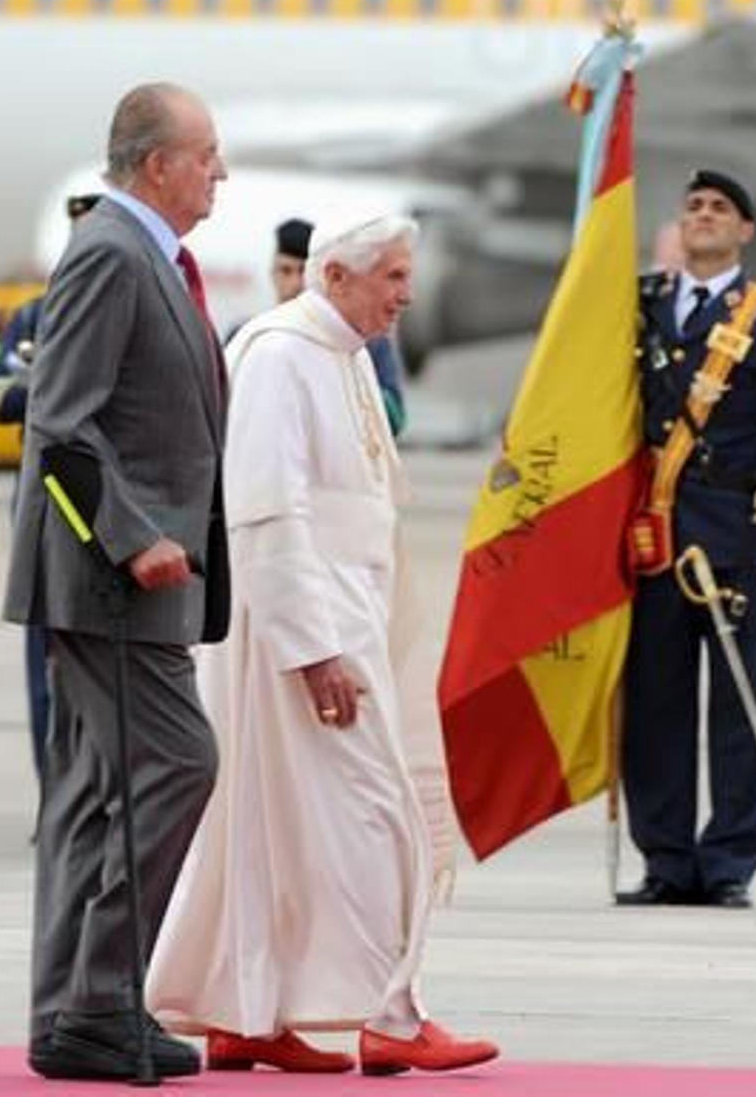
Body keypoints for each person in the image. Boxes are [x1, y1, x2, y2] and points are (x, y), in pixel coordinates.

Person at [146, 213, 498, 1077]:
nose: (406, 295)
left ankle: (245, 1013)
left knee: (270, 829)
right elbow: (266, 512)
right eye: (392, 277)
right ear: (336, 276)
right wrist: (313, 649)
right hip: (298, 635)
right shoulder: (279, 355)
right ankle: (391, 1014)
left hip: (341, 619)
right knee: (376, 817)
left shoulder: (342, 353)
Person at [3, 82, 229, 1083]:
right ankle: (98, 1000)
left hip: (129, 579)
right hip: (110, 578)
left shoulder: (145, 256)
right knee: (179, 761)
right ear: (158, 164)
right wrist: (132, 538)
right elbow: (60, 421)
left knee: (96, 793)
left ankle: (70, 1016)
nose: (220, 173)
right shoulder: (111, 252)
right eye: (207, 155)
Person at [618, 169, 756, 910]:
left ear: (745, 231)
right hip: (655, 537)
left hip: (736, 539)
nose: (704, 215)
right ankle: (667, 860)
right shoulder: (643, 304)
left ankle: (730, 861)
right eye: (695, 206)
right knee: (655, 707)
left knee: (740, 708)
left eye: (720, 209)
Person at [0, 192, 100, 783]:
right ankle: (55, 794)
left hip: (106, 505)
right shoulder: (35, 315)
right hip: (47, 502)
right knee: (45, 662)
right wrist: (66, 388)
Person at [269, 216, 409, 435]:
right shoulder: (255, 338)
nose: (295, 284)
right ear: (272, 274)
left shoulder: (367, 341)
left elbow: (396, 419)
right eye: (286, 271)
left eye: (302, 272)